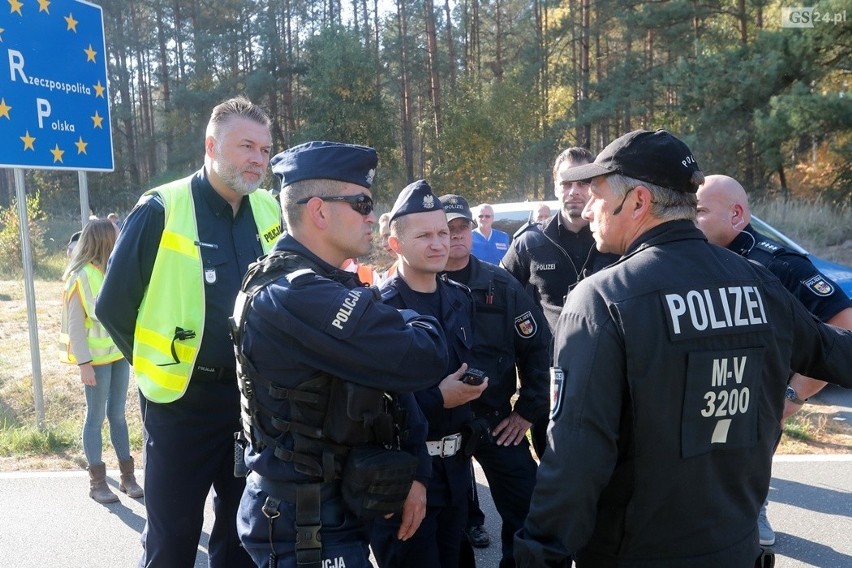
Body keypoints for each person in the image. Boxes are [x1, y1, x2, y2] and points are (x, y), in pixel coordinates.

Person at [513, 129, 852, 567]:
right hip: (737, 547)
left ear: (638, 201)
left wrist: (537, 556)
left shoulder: (601, 300)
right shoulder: (758, 282)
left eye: (597, 193)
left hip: (637, 553)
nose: (589, 208)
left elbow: (575, 458)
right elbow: (840, 353)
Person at [231, 141, 451, 568]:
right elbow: (425, 355)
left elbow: (390, 382)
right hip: (306, 524)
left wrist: (417, 475)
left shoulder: (317, 283)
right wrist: (406, 318)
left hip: (333, 505)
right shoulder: (298, 295)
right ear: (319, 211)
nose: (372, 215)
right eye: (361, 203)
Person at [95, 96, 281, 568]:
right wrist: (158, 367)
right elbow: (114, 305)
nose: (258, 159)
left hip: (249, 402)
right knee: (172, 539)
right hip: (181, 404)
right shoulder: (162, 207)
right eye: (246, 146)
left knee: (243, 534)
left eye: (264, 149)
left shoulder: (269, 210)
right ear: (211, 145)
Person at [696, 173, 852, 547]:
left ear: (736, 215)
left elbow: (843, 328)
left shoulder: (779, 266)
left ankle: (752, 513)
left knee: (739, 520)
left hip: (754, 412)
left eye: (699, 211)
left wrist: (793, 397)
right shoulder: (692, 259)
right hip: (700, 400)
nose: (690, 218)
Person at [371, 180, 487, 568]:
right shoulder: (378, 311)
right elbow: (372, 408)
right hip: (404, 476)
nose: (438, 243)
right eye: (424, 235)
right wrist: (439, 399)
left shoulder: (458, 297)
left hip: (456, 471)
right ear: (395, 244)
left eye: (442, 233)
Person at [439, 193, 550, 568]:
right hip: (437, 426)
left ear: (472, 230)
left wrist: (527, 412)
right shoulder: (416, 283)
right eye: (446, 229)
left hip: (496, 422)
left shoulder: (500, 284)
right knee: (442, 525)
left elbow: (537, 348)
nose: (454, 236)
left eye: (461, 227)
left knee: (530, 511)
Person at [501, 147, 618, 457]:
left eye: (582, 182)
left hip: (609, 378)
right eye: (566, 183)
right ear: (555, 187)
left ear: (596, 184)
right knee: (552, 466)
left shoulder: (617, 241)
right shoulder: (530, 243)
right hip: (549, 384)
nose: (574, 192)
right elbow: (499, 305)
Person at [60, 218, 143, 504]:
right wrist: (83, 363)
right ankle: (97, 483)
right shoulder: (79, 276)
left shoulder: (113, 269)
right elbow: (74, 325)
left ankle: (127, 478)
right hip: (95, 360)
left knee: (118, 416)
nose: (121, 238)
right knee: (95, 418)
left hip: (118, 354)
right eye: (116, 235)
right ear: (105, 241)